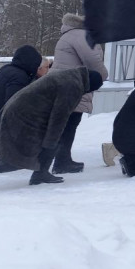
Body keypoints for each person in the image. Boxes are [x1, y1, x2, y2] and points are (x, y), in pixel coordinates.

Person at [0, 67, 103, 192]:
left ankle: (41, 173)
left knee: (53, 141)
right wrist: (50, 142)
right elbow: (59, 117)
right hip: (23, 116)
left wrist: (52, 142)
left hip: (21, 110)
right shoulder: (74, 86)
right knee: (19, 159)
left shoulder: (71, 76)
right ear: (89, 86)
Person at [49, 12, 108, 174]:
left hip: (64, 85)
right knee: (69, 125)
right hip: (73, 86)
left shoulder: (69, 34)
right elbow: (93, 60)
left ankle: (62, 159)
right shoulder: (81, 35)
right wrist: (102, 76)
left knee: (66, 124)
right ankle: (62, 162)